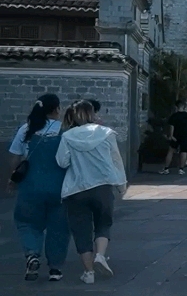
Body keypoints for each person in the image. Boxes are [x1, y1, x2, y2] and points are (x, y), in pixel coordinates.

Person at [56, 100, 126, 285]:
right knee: (104, 223)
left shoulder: (68, 136)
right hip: (103, 186)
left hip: (77, 188)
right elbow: (116, 160)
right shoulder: (106, 133)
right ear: (92, 113)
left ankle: (88, 273)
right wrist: (121, 184)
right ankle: (100, 256)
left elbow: (62, 162)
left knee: (81, 230)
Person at [7, 94, 70, 282]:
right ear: (57, 109)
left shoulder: (26, 129)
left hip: (30, 187)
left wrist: (12, 179)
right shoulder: (65, 131)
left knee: (27, 222)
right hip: (59, 187)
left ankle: (32, 254)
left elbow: (14, 157)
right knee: (58, 227)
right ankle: (55, 269)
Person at [162, 102, 187, 175]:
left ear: (176, 107)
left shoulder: (174, 116)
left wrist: (171, 135)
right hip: (185, 136)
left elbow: (172, 127)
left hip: (175, 136)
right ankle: (181, 169)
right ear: (184, 107)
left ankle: (166, 168)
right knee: (184, 152)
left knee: (171, 151)